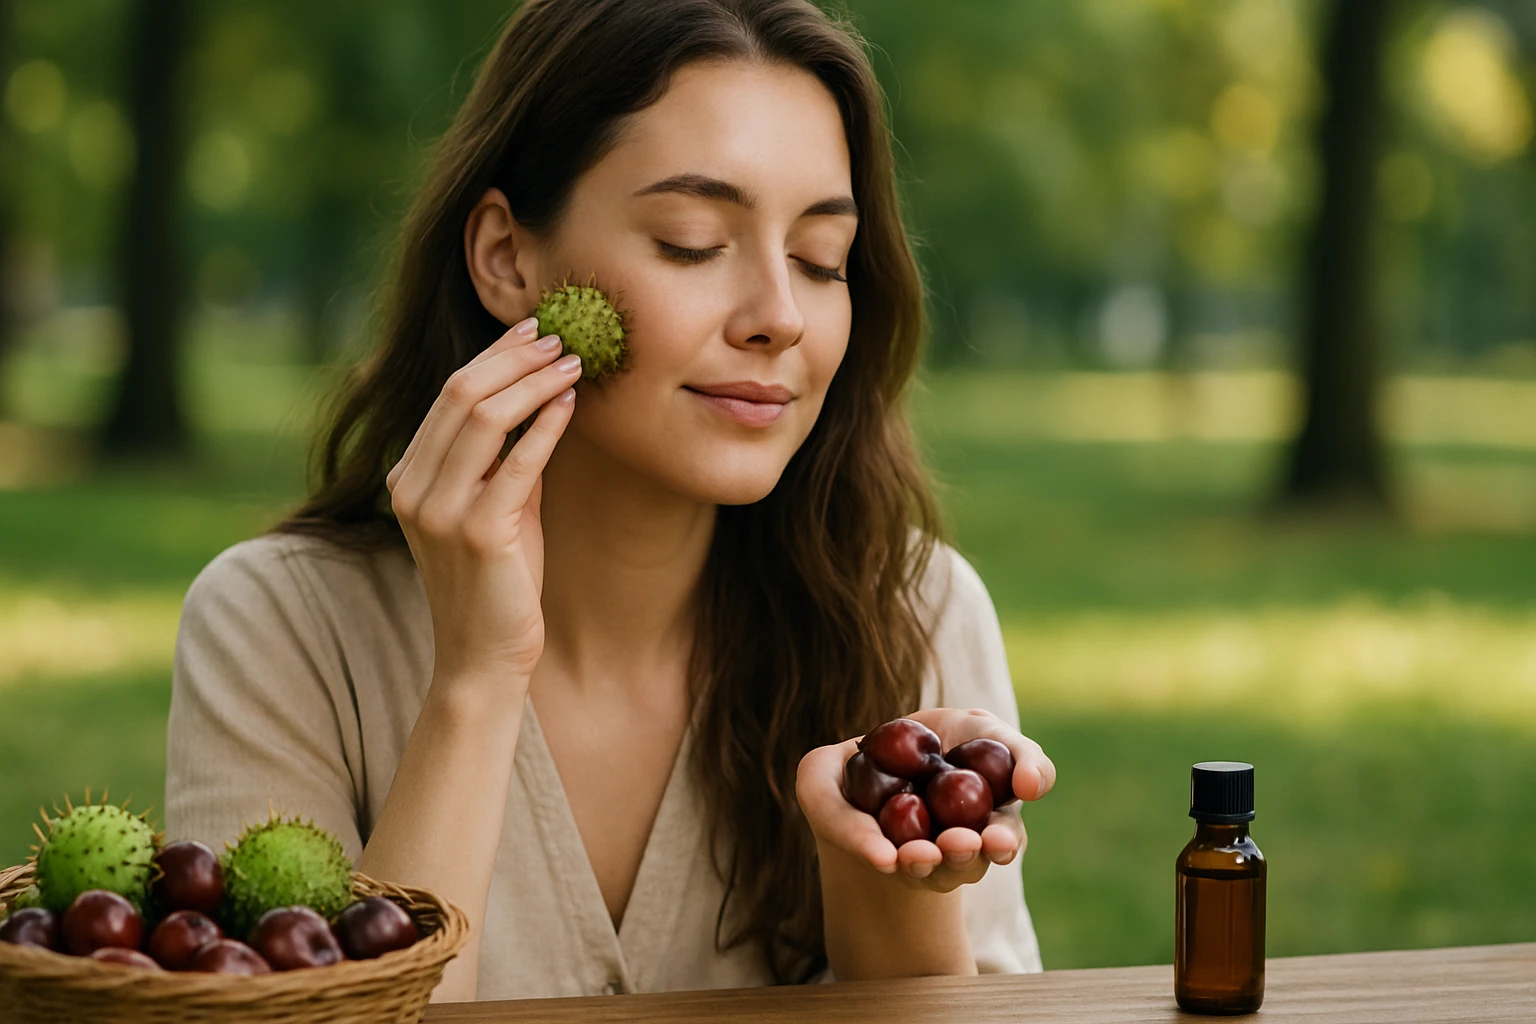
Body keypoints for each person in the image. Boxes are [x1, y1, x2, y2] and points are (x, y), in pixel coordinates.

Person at [164, 0, 1057, 1003]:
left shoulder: (914, 608)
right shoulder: (280, 628)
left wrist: (884, 872)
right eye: (690, 241)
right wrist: (476, 676)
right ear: (508, 258)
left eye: (822, 260)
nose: (779, 317)